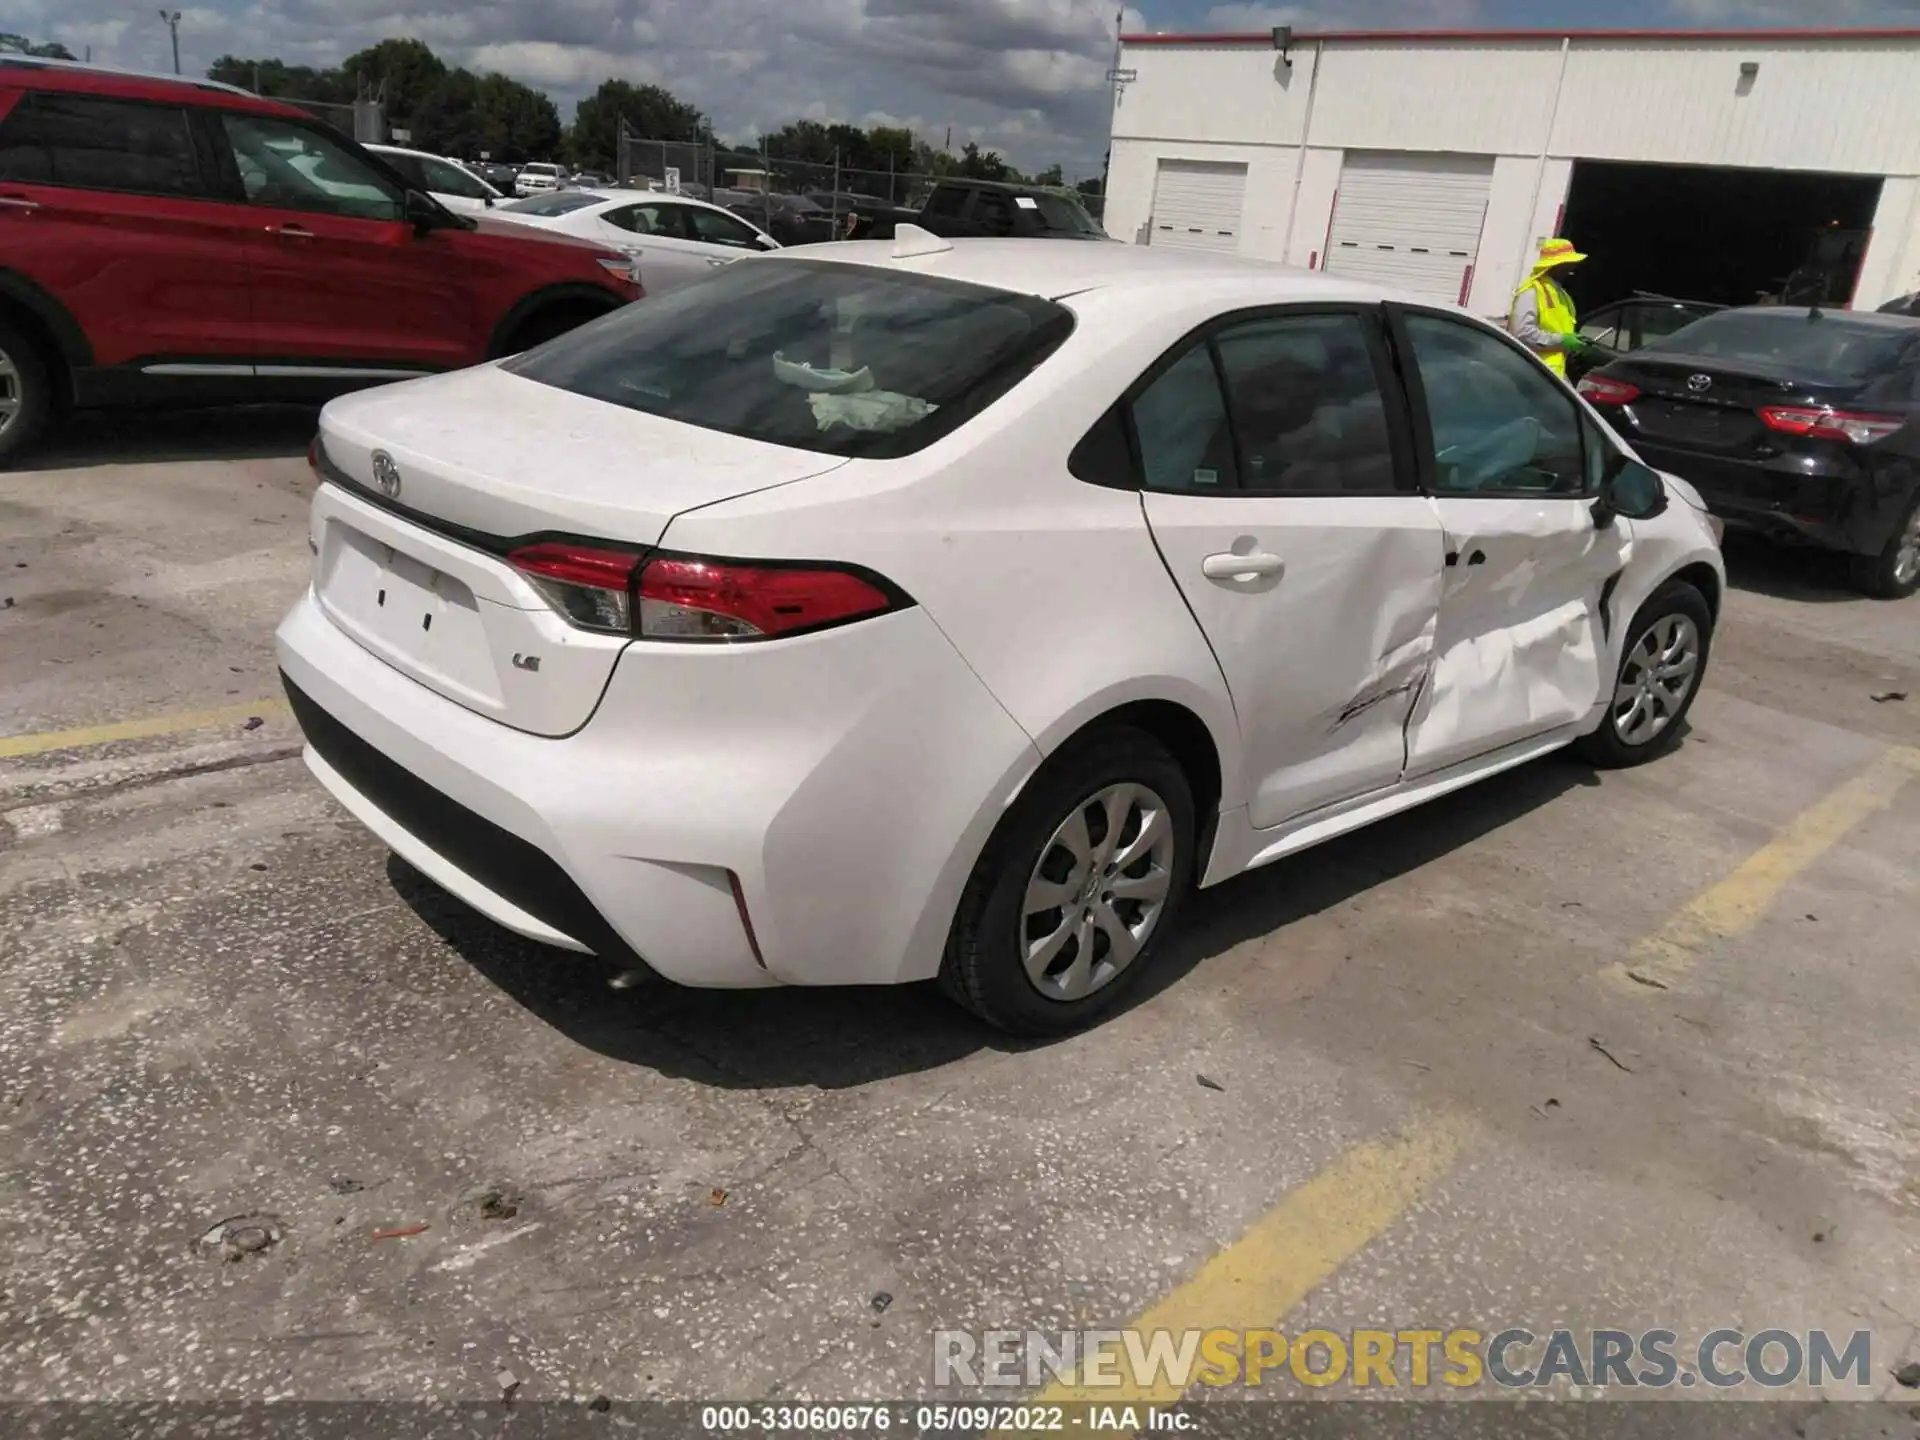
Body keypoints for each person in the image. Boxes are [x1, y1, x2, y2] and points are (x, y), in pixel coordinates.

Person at [1509, 237, 1592, 378]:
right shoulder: (1532, 291)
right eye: (1569, 263)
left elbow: (1560, 329)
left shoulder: (1562, 295)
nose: (1573, 267)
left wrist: (1573, 342)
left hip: (1552, 373)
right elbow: (1522, 333)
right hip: (1534, 372)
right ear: (1556, 265)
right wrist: (1562, 341)